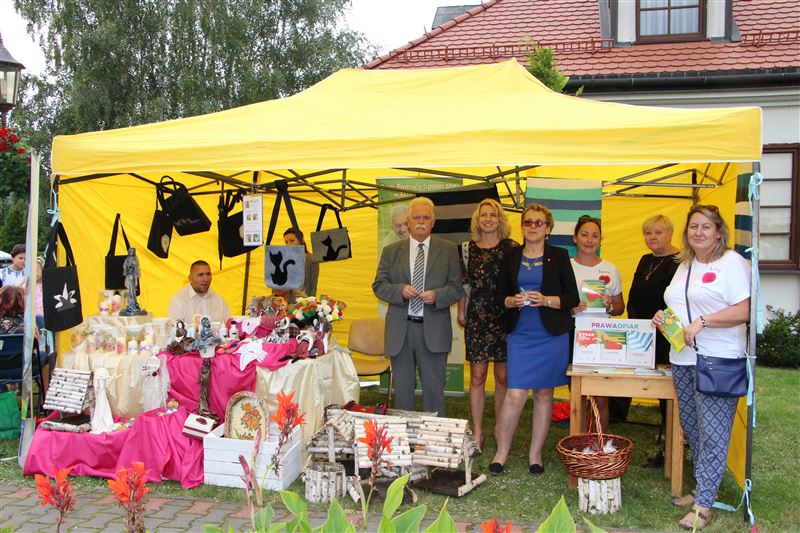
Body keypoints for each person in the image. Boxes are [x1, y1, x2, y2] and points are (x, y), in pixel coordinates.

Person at [652, 204, 750, 531]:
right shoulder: (685, 263)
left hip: (718, 360)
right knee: (693, 429)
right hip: (683, 358)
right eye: (694, 226)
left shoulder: (732, 263)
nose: (699, 232)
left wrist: (703, 322)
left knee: (713, 433)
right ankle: (705, 487)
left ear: (719, 232)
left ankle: (704, 506)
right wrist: (664, 318)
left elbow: (744, 310)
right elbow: (678, 304)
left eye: (706, 226)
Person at [489, 204, 578, 475]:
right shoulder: (511, 255)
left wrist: (547, 300)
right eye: (528, 222)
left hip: (550, 335)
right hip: (520, 334)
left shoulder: (559, 256)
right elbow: (499, 296)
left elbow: (572, 298)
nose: (533, 226)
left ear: (548, 228)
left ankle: (535, 455)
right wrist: (511, 301)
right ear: (522, 226)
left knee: (543, 394)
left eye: (539, 222)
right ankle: (501, 452)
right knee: (515, 394)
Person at [372, 196, 463, 416]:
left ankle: (433, 433)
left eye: (426, 218)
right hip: (401, 331)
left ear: (433, 222)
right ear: (408, 221)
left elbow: (456, 288)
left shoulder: (449, 250)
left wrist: (437, 296)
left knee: (434, 390)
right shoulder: (391, 251)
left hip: (433, 328)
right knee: (403, 391)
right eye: (416, 218)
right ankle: (405, 434)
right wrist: (399, 291)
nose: (421, 222)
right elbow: (379, 286)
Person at [456, 198, 518, 451]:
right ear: (477, 219)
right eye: (484, 215)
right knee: (477, 377)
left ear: (500, 219)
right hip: (477, 318)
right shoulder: (467, 249)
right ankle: (478, 431)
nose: (488, 219)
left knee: (503, 378)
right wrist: (461, 312)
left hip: (505, 316)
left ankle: (501, 429)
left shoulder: (512, 248)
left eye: (493, 214)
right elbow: (464, 285)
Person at [627, 214, 679, 466]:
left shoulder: (680, 261)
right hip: (643, 335)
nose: (653, 237)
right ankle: (666, 443)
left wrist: (660, 327)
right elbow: (633, 297)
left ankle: (672, 446)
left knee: (670, 394)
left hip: (668, 336)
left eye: (658, 232)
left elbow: (678, 303)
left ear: (670, 233)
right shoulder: (645, 260)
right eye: (648, 233)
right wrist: (637, 326)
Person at [570, 214, 625, 432]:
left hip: (603, 335)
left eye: (595, 236)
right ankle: (580, 440)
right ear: (575, 238)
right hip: (575, 334)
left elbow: (620, 308)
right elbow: (556, 304)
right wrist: (570, 310)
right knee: (578, 393)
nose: (589, 240)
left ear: (600, 240)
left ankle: (599, 442)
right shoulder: (566, 267)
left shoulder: (611, 269)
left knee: (601, 394)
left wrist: (610, 304)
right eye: (585, 234)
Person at [284, 228, 319, 297]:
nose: (288, 244)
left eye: (292, 241)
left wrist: (311, 301)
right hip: (287, 299)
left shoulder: (311, 259)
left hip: (304, 299)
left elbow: (313, 286)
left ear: (302, 240)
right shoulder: (284, 260)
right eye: (286, 242)